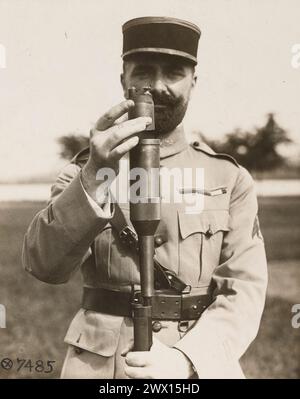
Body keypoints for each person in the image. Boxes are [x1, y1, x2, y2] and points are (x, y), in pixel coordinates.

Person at [22, 16, 268, 379]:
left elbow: (243, 292)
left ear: (193, 82)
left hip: (197, 364)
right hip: (102, 367)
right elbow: (44, 265)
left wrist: (187, 360)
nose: (157, 86)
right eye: (143, 72)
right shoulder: (83, 171)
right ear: (124, 78)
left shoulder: (229, 179)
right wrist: (95, 174)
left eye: (174, 72)